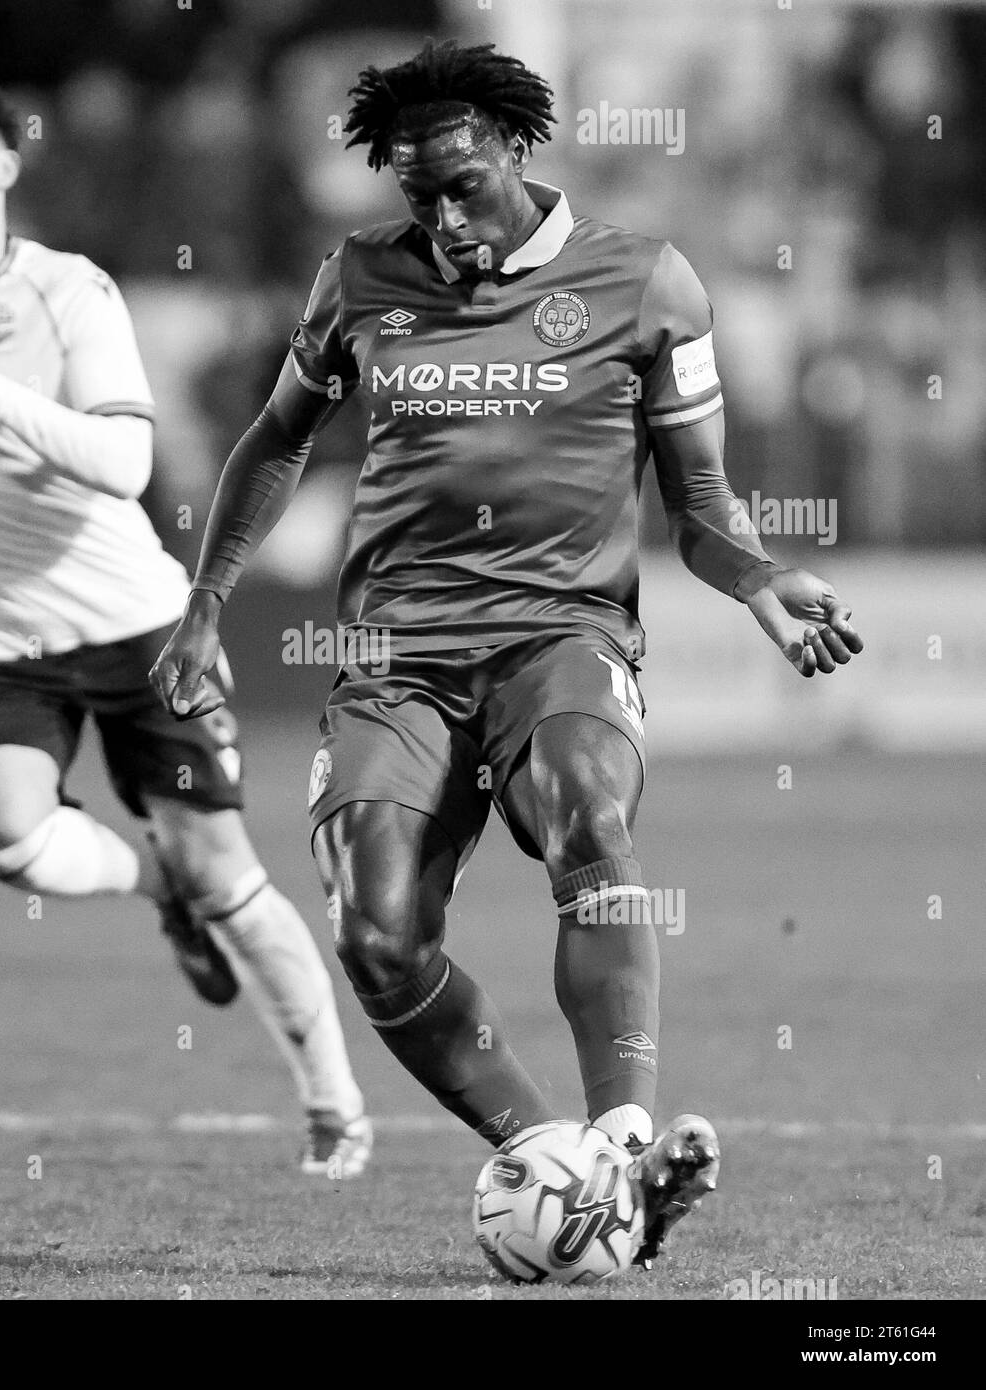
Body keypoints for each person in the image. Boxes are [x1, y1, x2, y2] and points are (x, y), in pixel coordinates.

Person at [150, 40, 863, 1264]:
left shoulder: (646, 283)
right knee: (376, 935)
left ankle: (624, 1134)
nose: (442, 217)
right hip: (396, 657)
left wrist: (759, 579)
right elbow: (274, 439)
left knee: (590, 812)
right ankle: (586, 1182)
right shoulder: (357, 279)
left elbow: (699, 506)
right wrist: (205, 598)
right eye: (415, 193)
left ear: (516, 151)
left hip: (560, 633)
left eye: (461, 185)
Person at [0, 58, 371, 1177]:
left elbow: (126, 458)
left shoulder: (71, 293)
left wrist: (1, 397)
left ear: (5, 161)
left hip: (137, 621)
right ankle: (164, 890)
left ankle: (335, 1105)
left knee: (233, 877)